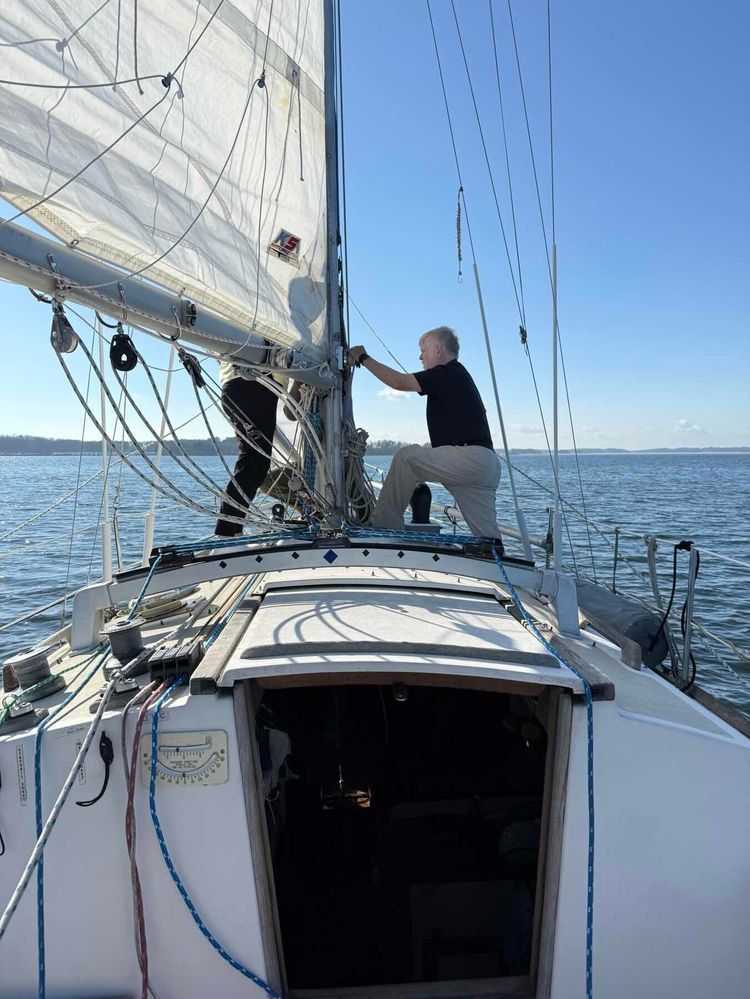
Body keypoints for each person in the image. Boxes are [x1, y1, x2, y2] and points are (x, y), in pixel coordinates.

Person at [348, 326, 502, 541]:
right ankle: (495, 556)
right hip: (485, 465)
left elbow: (399, 382)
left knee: (406, 459)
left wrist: (363, 357)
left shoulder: (448, 372)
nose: (420, 356)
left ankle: (383, 529)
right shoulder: (458, 375)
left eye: (423, 350)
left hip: (470, 459)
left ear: (437, 350)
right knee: (488, 538)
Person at [214, 359, 279, 537]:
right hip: (253, 386)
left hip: (239, 386)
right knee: (254, 461)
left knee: (254, 461)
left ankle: (232, 531)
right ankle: (227, 532)